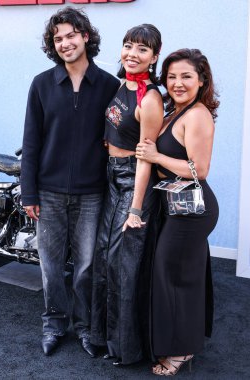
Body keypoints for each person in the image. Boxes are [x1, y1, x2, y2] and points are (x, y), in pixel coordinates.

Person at [20, 6, 120, 357]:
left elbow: (118, 139)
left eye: (70, 35)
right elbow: (31, 143)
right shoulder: (42, 85)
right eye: (57, 39)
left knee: (87, 266)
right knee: (49, 266)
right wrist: (28, 192)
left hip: (92, 194)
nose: (64, 43)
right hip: (47, 193)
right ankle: (53, 324)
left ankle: (85, 327)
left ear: (85, 36)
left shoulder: (109, 85)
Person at [136, 48, 219, 376]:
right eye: (171, 76)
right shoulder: (175, 112)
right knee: (183, 275)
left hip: (193, 210)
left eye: (186, 76)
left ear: (201, 80)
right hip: (176, 205)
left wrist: (156, 158)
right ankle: (183, 341)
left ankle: (181, 351)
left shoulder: (197, 114)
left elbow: (199, 168)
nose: (177, 83)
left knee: (172, 275)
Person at [91, 24, 163, 365]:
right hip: (113, 177)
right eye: (128, 45)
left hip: (135, 183)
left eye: (142, 49)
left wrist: (135, 209)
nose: (132, 53)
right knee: (105, 258)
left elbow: (146, 160)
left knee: (124, 264)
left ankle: (126, 349)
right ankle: (103, 337)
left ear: (154, 56)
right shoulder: (122, 85)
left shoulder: (149, 99)